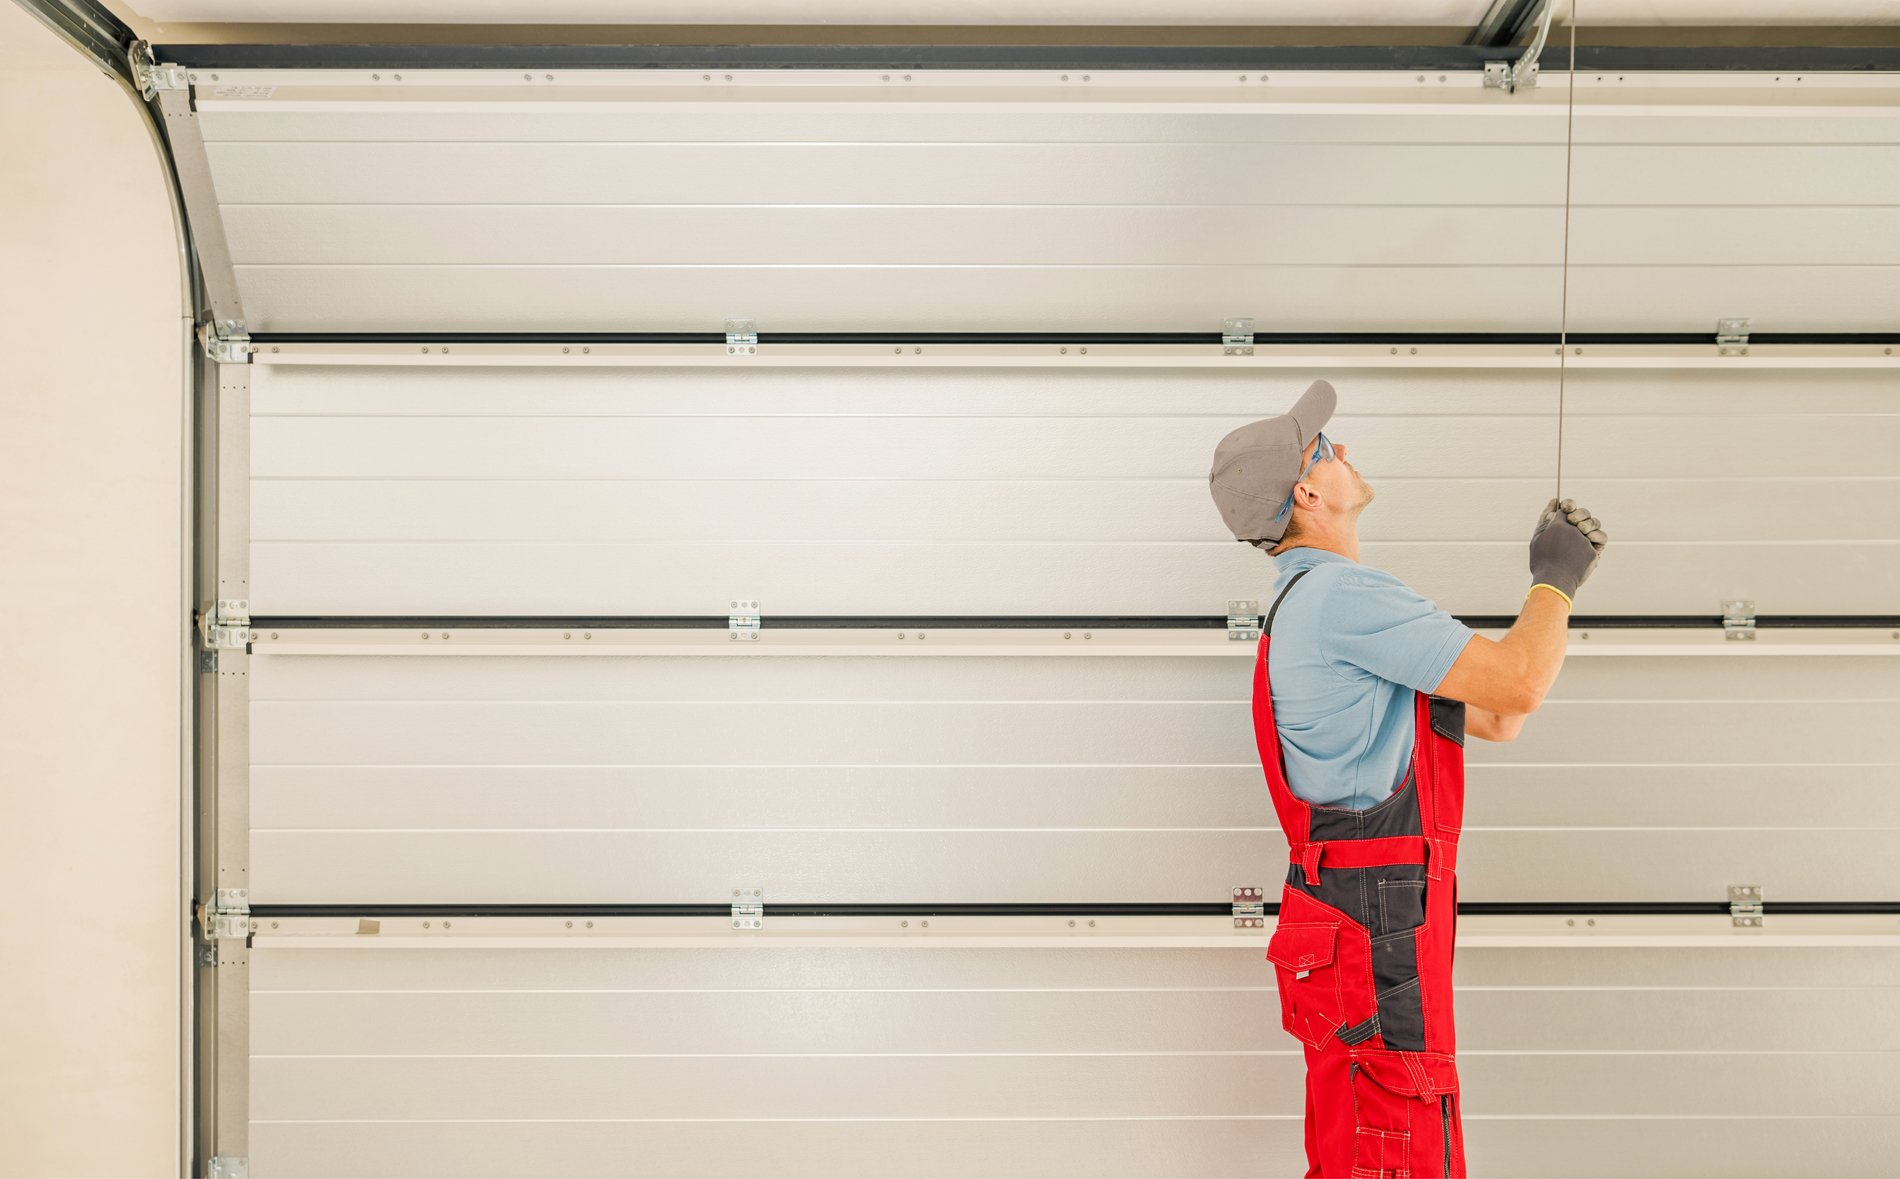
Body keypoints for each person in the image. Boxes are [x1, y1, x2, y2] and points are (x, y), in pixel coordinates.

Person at [1207, 379, 1607, 1179]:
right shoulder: (1344, 597)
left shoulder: (1306, 605)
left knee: (1366, 1134)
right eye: (1327, 448)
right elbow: (1520, 685)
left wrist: (1543, 609)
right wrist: (1554, 581)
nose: (1344, 450)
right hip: (1378, 920)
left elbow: (1497, 716)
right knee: (1398, 1138)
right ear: (1309, 490)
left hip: (1356, 919)